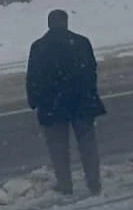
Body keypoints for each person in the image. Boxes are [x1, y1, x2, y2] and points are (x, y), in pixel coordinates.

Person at [26, 10, 105, 196]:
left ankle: (65, 184)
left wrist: (35, 101)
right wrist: (90, 95)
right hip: (81, 102)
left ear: (49, 24)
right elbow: (91, 71)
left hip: (52, 106)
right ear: (66, 23)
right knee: (88, 146)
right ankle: (93, 182)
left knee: (58, 149)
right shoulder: (81, 42)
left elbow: (33, 78)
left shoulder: (38, 47)